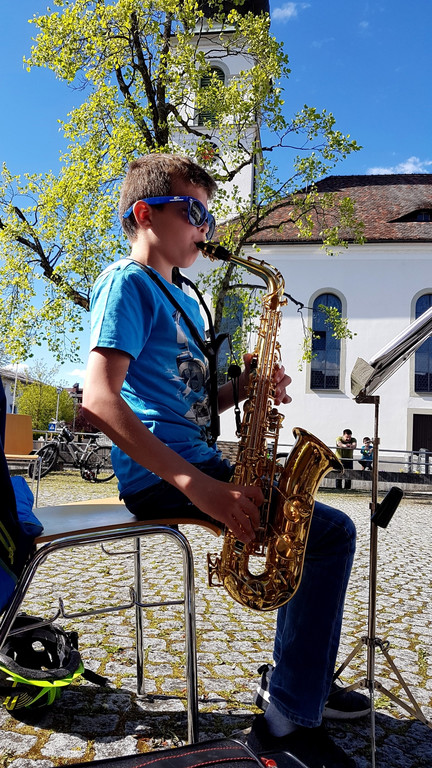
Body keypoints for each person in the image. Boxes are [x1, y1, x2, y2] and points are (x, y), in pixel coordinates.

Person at [83, 154, 368, 768]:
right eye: (194, 212)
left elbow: (185, 401)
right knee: (329, 534)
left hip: (195, 460)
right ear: (144, 214)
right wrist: (201, 488)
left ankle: (302, 680)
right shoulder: (127, 283)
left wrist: (245, 389)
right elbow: (101, 401)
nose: (205, 228)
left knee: (314, 532)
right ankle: (289, 714)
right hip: (164, 474)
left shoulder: (185, 297)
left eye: (209, 216)